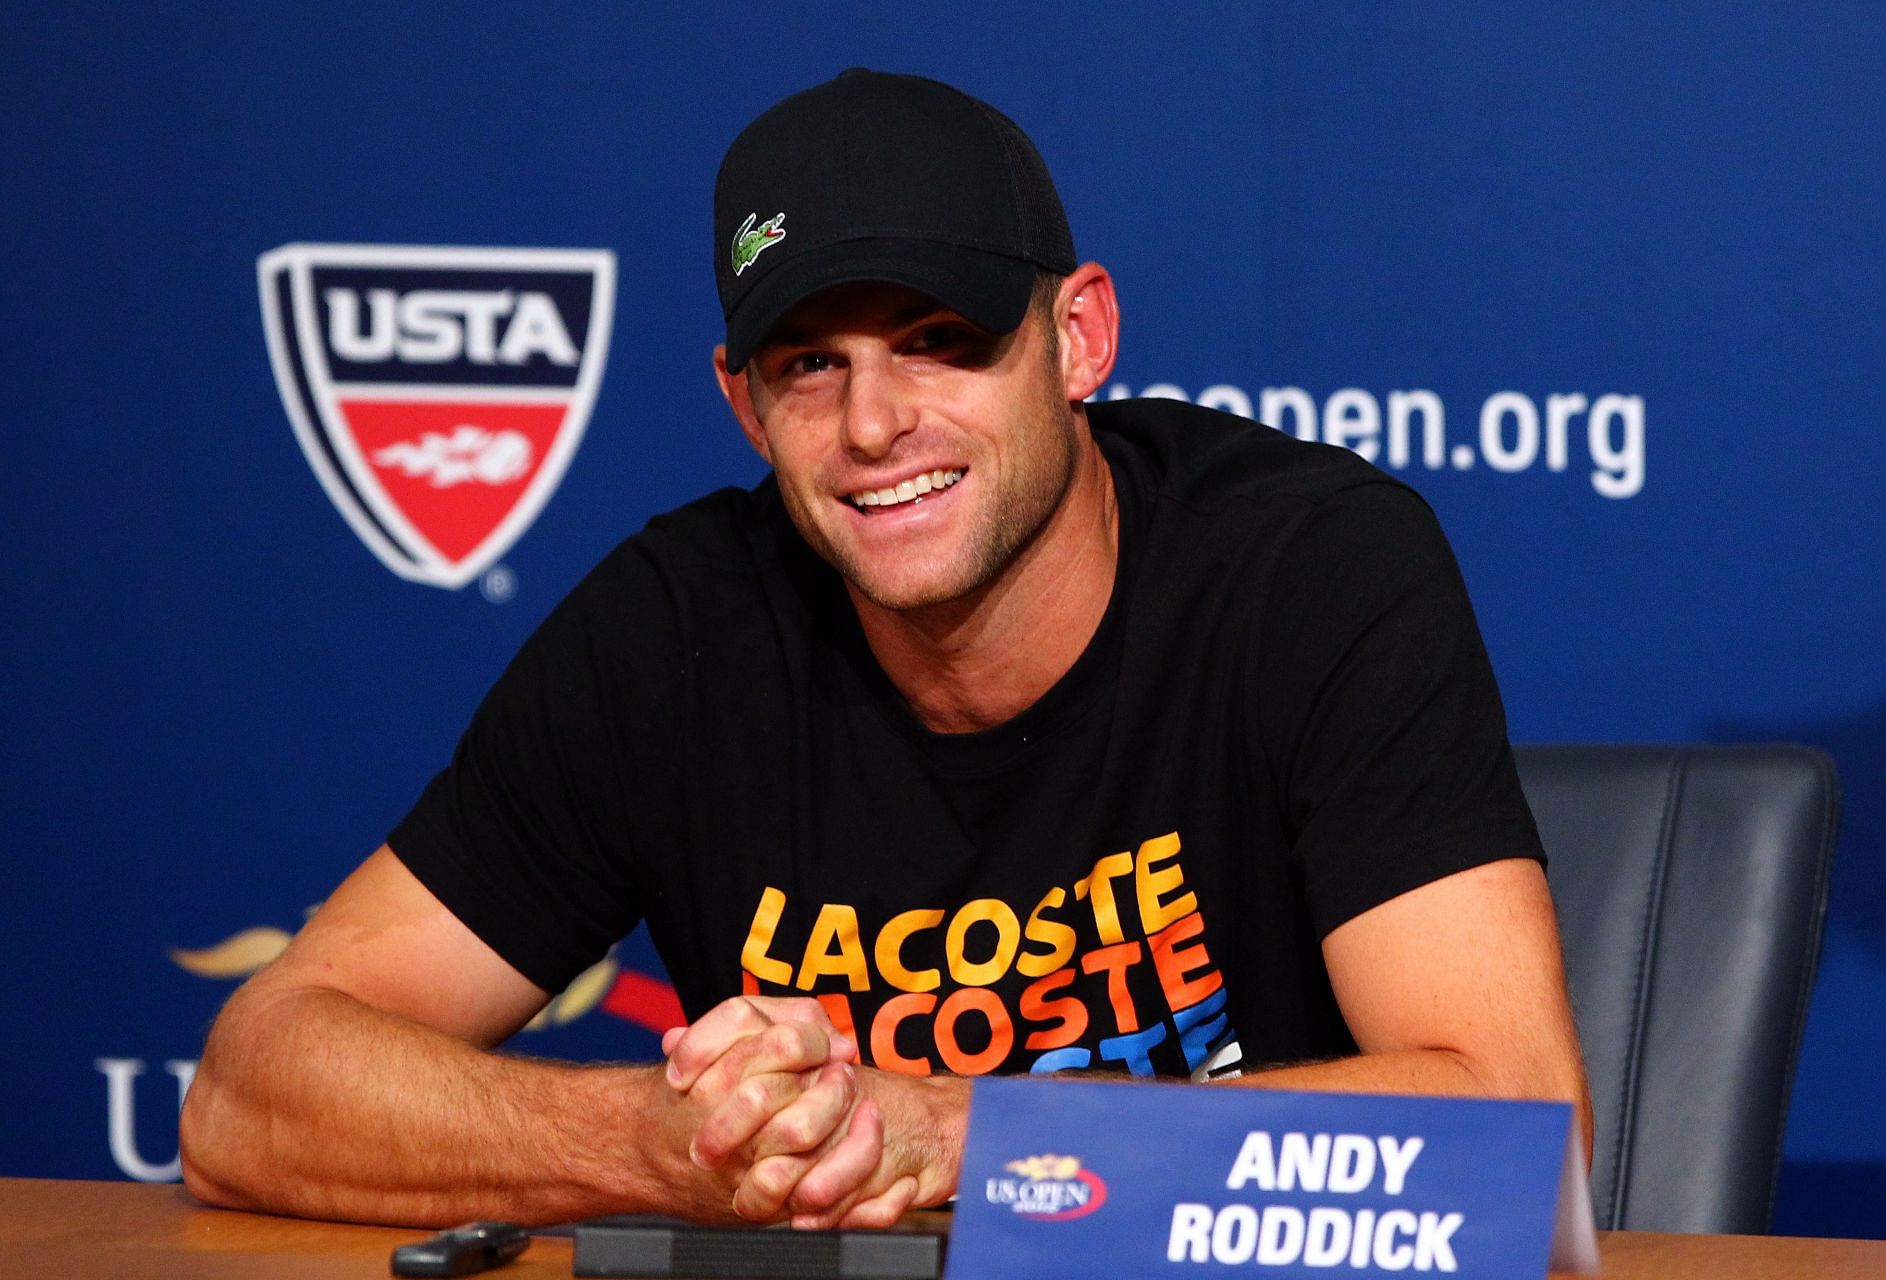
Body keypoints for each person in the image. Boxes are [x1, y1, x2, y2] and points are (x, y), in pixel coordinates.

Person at [180, 68, 1590, 1231]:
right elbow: (251, 1090)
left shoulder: (1311, 568)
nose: (872, 426)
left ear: (1079, 337)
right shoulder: (679, 626)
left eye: (937, 340)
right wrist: (662, 1141)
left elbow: (1522, 1136)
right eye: (810, 362)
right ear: (744, 403)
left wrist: (962, 1130)